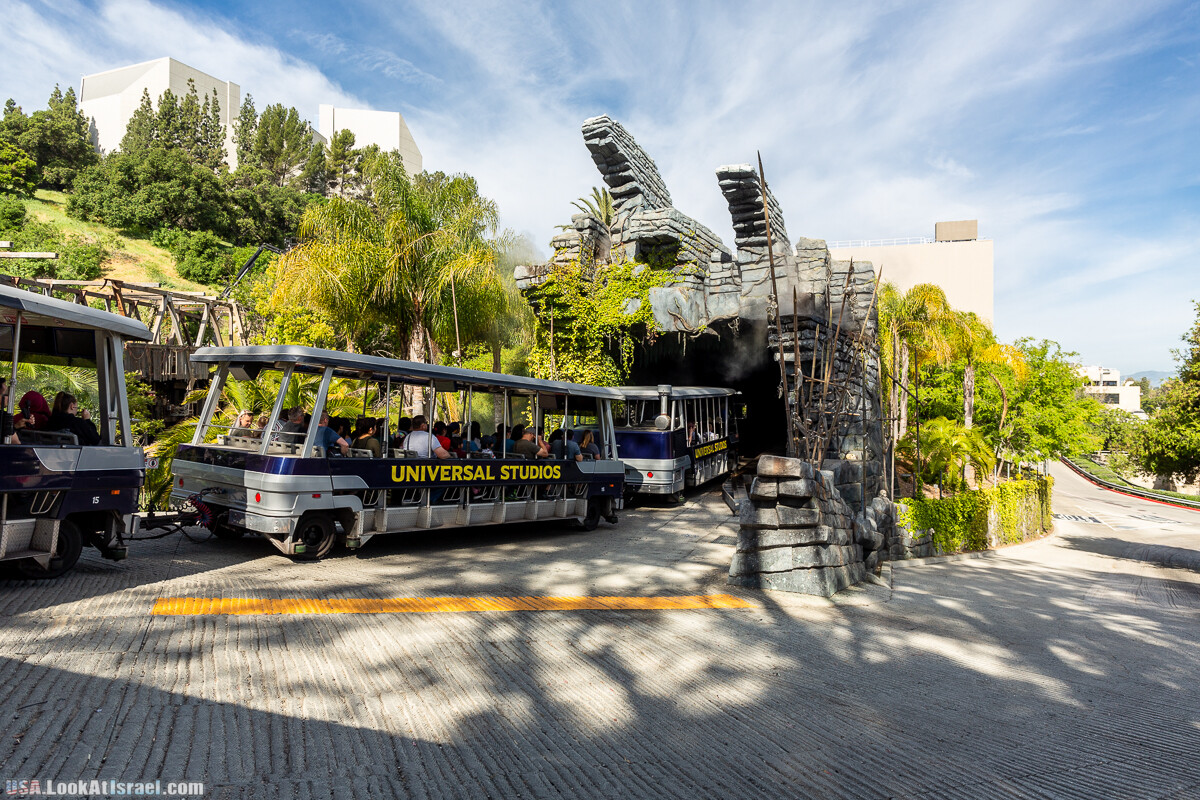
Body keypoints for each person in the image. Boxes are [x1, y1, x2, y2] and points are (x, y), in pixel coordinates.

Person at [0, 377, 21, 444]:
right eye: (6, 394)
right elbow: (15, 442)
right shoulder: (3, 416)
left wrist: (16, 426)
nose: (8, 398)